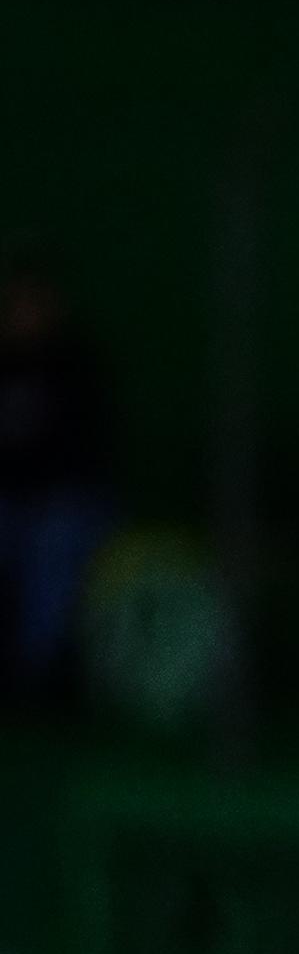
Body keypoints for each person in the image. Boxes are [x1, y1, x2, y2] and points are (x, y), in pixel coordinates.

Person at [0, 257, 118, 718]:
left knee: (54, 542)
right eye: (19, 302)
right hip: (12, 504)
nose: (26, 311)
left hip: (70, 505)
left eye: (36, 301)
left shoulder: (78, 367)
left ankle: (37, 675)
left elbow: (86, 459)